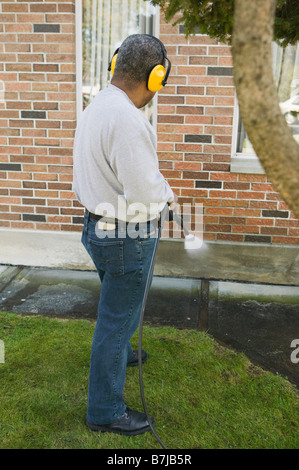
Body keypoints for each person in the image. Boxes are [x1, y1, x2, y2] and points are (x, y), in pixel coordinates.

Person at [73, 34, 176, 436]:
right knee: (114, 322)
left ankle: (124, 353)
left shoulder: (99, 103)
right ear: (155, 77)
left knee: (119, 306)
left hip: (97, 229)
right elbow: (146, 198)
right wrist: (166, 194)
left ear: (117, 64)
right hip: (125, 237)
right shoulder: (130, 121)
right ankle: (105, 410)